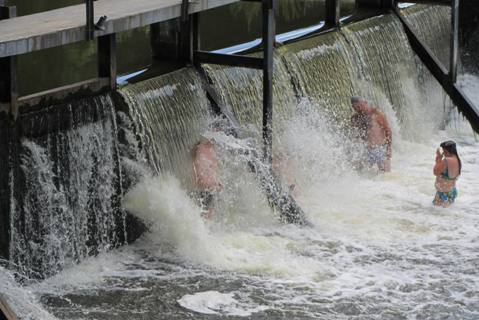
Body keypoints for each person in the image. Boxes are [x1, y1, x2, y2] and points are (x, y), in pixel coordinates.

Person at [350, 96, 392, 172]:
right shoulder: (355, 118)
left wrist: (388, 148)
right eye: (355, 108)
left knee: (386, 176)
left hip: (380, 149)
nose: (359, 109)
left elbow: (388, 131)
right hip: (366, 151)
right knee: (357, 172)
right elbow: (355, 136)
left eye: (360, 106)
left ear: (365, 103)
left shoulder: (377, 114)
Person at [192, 135, 223, 219]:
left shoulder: (209, 150)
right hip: (206, 189)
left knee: (207, 215)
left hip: (210, 189)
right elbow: (199, 176)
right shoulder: (202, 149)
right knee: (206, 216)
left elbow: (212, 171)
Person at [433, 140, 461, 207]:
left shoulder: (447, 160)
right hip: (451, 192)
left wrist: (438, 158)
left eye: (444, 151)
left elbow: (435, 172)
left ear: (447, 150)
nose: (443, 153)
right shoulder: (457, 159)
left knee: (438, 214)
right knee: (447, 214)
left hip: (443, 195)